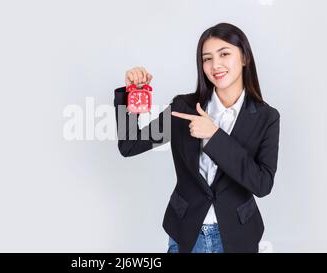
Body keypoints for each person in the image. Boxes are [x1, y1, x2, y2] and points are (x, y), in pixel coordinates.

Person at [113, 23, 280, 253]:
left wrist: (214, 136)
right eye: (207, 58)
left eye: (224, 54)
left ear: (244, 58)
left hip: (237, 235)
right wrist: (132, 95)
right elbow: (129, 145)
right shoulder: (185, 108)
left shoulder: (266, 117)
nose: (215, 65)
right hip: (187, 233)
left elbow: (262, 184)